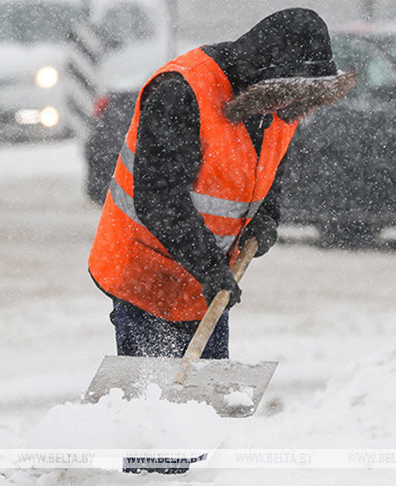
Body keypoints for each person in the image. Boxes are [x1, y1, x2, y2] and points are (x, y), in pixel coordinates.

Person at [89, 7, 356, 362]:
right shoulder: (182, 91)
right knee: (150, 398)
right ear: (267, 76)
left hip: (205, 283)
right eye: (288, 93)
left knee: (202, 400)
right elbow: (159, 197)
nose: (292, 105)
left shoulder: (280, 106)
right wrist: (210, 268)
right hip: (145, 273)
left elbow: (269, 172)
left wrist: (264, 219)